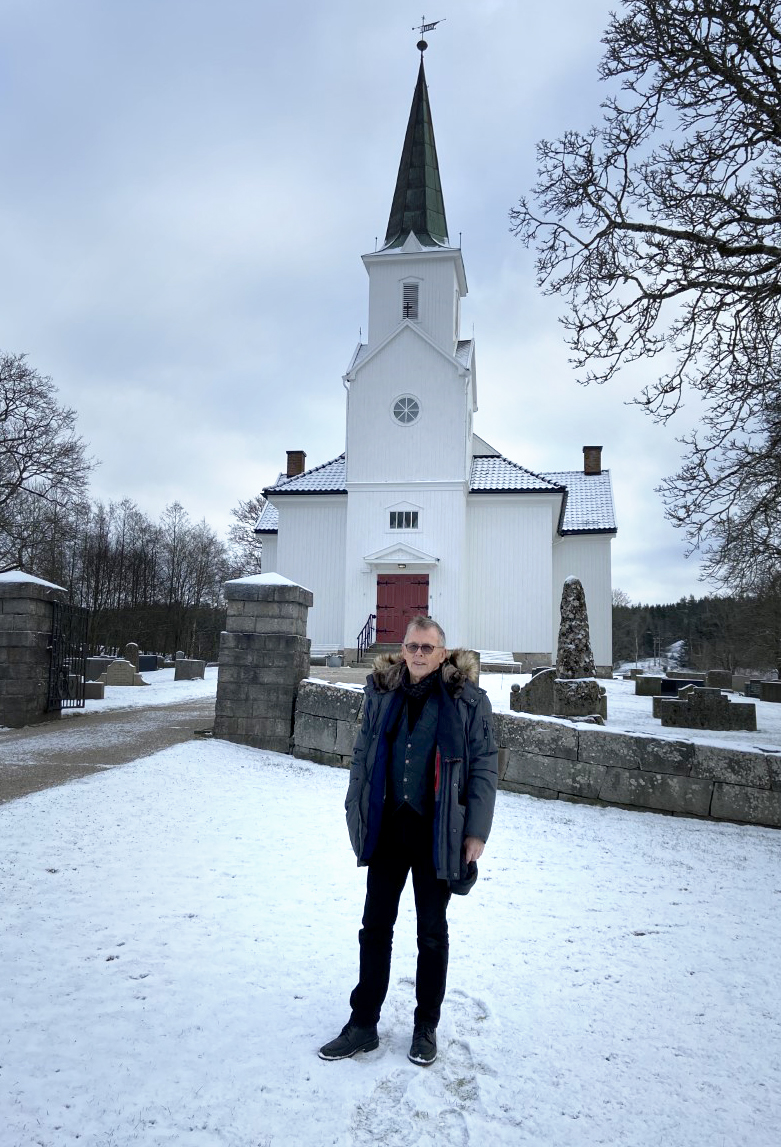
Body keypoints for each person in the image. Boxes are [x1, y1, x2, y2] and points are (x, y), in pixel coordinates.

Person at [319, 615, 498, 1067]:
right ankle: (363, 1024)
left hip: (438, 831)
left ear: (442, 653)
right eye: (412, 647)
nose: (418, 655)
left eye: (427, 648)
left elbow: (484, 767)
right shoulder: (382, 694)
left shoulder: (467, 701)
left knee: (431, 934)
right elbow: (363, 753)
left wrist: (476, 831)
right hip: (386, 826)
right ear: (403, 650)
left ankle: (426, 1026)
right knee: (375, 927)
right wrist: (352, 806)